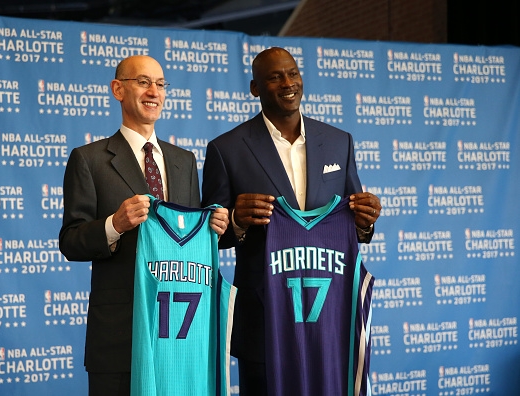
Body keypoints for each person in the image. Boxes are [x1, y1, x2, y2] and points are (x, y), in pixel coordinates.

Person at [201, 47, 381, 395]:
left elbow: (352, 223)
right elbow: (210, 235)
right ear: (255, 88)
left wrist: (365, 222)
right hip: (264, 318)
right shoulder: (226, 149)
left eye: (293, 73)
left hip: (330, 313)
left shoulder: (338, 142)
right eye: (275, 77)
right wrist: (236, 220)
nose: (288, 83)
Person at [59, 55, 229, 396]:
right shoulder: (89, 159)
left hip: (182, 335)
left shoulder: (184, 161)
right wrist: (114, 224)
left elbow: (187, 241)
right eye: (143, 82)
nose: (154, 91)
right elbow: (71, 241)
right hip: (121, 337)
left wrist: (219, 226)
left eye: (161, 84)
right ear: (118, 89)